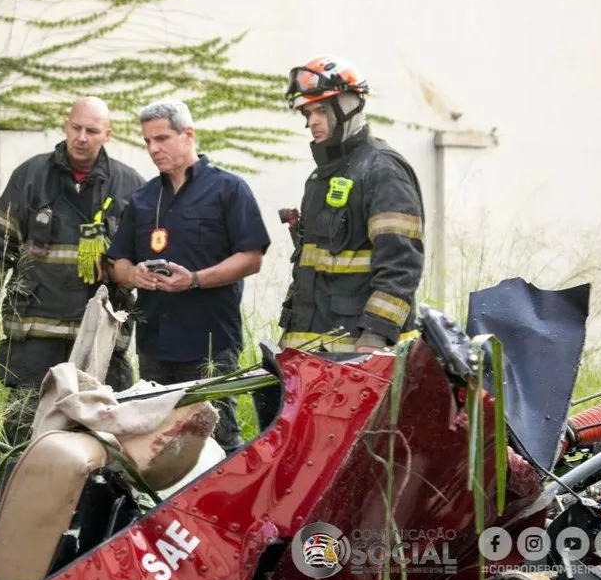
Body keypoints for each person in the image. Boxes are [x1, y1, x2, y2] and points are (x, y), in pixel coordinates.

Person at [0, 97, 145, 445]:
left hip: (99, 337)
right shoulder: (31, 176)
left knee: (105, 435)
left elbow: (145, 263)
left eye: (92, 131)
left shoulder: (129, 186)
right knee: (23, 430)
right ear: (66, 126)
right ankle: (18, 494)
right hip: (35, 333)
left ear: (106, 135)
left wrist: (117, 268)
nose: (82, 137)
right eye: (76, 128)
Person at [107, 98, 270, 454]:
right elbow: (117, 262)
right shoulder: (143, 198)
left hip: (210, 343)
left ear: (188, 135)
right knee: (159, 448)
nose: (153, 148)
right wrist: (134, 275)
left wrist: (193, 279)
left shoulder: (229, 189)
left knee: (218, 443)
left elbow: (251, 257)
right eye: (148, 141)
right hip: (155, 345)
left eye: (162, 138)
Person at [278, 55, 425, 354]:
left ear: (350, 105)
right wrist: (289, 336)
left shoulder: (382, 170)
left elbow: (401, 264)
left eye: (320, 109)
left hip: (362, 354)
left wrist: (376, 334)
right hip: (312, 350)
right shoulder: (320, 178)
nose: (312, 121)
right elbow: (309, 270)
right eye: (307, 112)